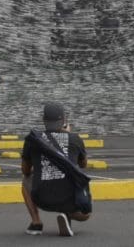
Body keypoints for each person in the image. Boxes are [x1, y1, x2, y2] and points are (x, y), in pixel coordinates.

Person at [21, 102, 91, 237]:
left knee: (26, 180)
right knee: (73, 178)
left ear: (44, 120)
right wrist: (67, 137)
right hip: (73, 202)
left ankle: (36, 223)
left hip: (42, 198)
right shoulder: (75, 139)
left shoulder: (33, 140)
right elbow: (83, 164)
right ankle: (67, 214)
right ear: (64, 120)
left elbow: (25, 171)